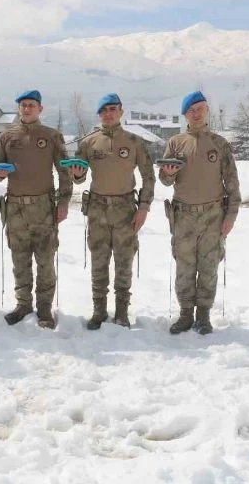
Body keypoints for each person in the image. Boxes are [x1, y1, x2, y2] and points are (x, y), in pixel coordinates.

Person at [69, 93, 155, 329]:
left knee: (124, 261)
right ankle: (98, 311)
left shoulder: (134, 142)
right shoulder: (89, 142)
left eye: (112, 109)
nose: (108, 114)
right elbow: (78, 175)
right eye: (104, 110)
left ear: (121, 111)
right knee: (98, 260)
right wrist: (77, 175)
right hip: (97, 208)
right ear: (99, 114)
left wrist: (144, 208)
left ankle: (121, 312)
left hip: (125, 209)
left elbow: (148, 177)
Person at [159, 91, 240, 335]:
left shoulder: (220, 144)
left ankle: (203, 315)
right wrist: (170, 173)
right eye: (191, 109)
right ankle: (185, 314)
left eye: (200, 108)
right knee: (184, 265)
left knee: (208, 265)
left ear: (207, 110)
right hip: (183, 215)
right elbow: (164, 179)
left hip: (213, 215)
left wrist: (231, 216)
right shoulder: (176, 143)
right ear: (185, 114)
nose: (196, 113)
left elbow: (232, 183)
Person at [0, 90, 72, 329]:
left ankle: (45, 309)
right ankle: (23, 304)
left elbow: (64, 171)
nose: (27, 109)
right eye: (23, 105)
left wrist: (64, 202)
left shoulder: (51, 136)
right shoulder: (7, 137)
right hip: (16, 208)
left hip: (43, 208)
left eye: (31, 105)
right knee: (20, 259)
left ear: (40, 109)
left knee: (45, 260)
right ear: (19, 109)